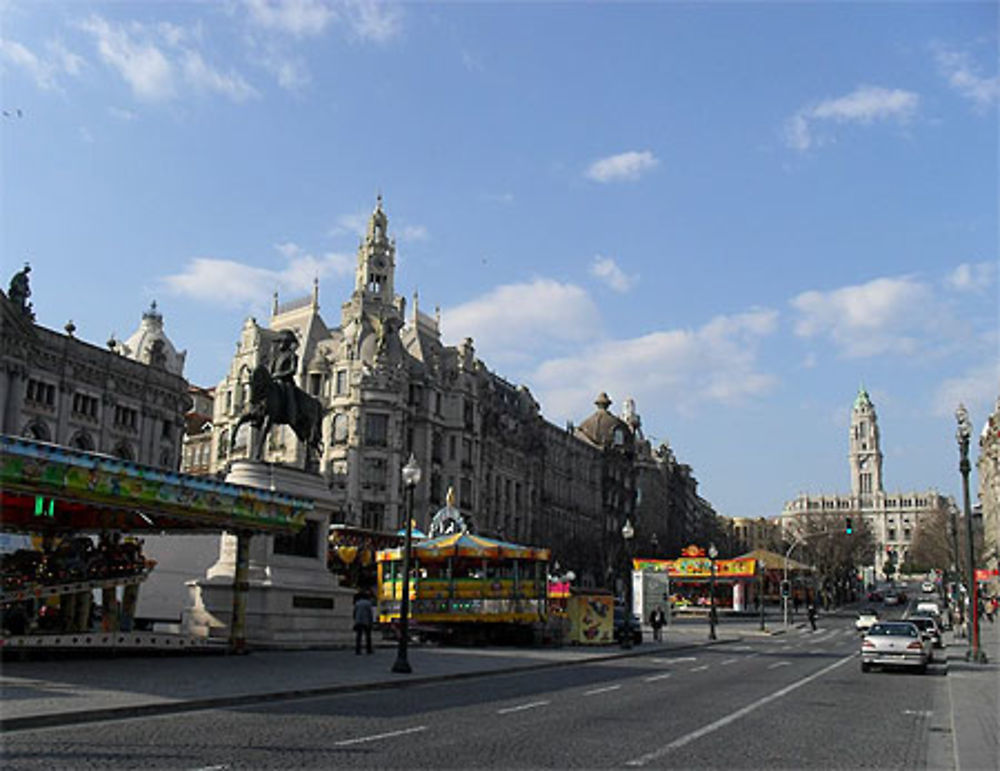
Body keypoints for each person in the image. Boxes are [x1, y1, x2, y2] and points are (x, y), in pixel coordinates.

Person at [270, 330, 300, 425]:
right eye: (279, 342)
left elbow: (293, 370)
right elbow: (271, 370)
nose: (280, 344)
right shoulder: (276, 357)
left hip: (286, 382)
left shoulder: (292, 355)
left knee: (289, 394)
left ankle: (291, 415)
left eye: (282, 342)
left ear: (287, 343)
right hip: (275, 381)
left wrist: (279, 375)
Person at [353, 590, 374, 655]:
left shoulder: (357, 603)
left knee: (358, 636)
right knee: (368, 636)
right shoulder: (368, 603)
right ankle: (369, 649)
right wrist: (371, 621)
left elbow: (354, 612)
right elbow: (370, 613)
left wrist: (355, 619)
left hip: (358, 621)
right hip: (366, 621)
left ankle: (358, 650)